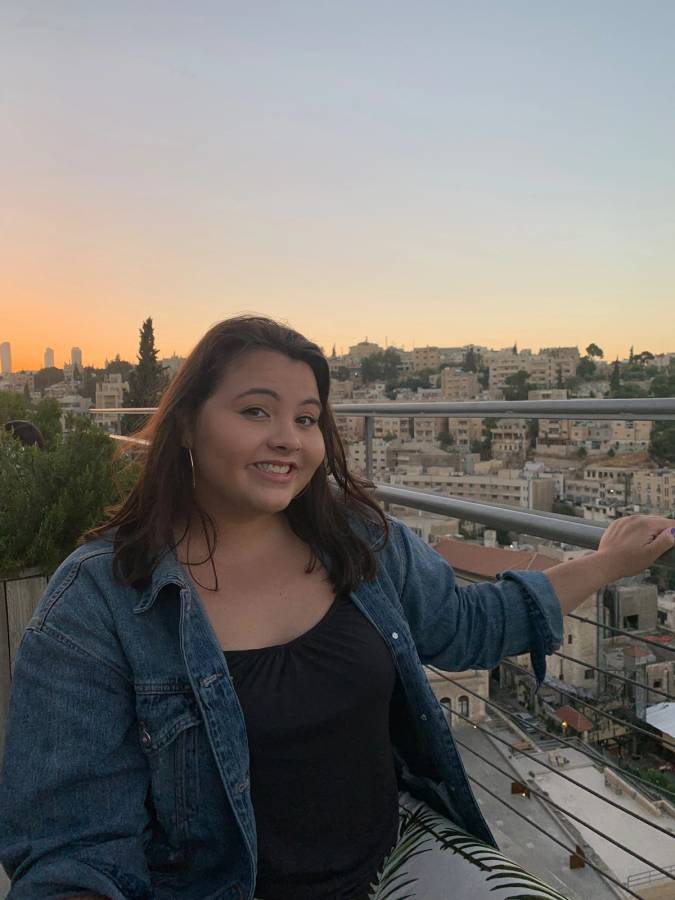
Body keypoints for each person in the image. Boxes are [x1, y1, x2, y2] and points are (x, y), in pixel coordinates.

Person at [0, 316, 673, 900]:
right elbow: (76, 850)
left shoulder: (357, 538)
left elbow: (469, 626)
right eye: (256, 412)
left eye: (306, 418)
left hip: (395, 859)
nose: (289, 438)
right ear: (183, 428)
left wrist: (608, 562)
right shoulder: (99, 600)